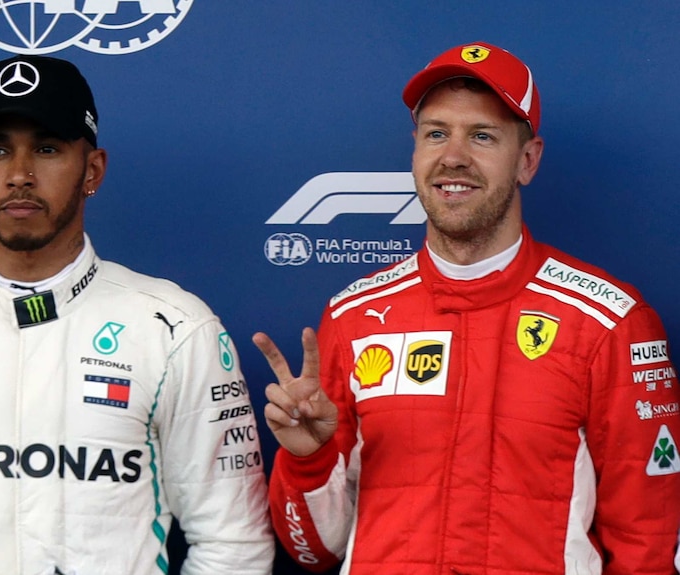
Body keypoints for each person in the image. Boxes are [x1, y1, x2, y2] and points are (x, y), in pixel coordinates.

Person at [253, 41, 680, 574]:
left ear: (527, 160)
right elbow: (316, 551)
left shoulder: (608, 322)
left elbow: (649, 545)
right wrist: (308, 460)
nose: (453, 156)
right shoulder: (354, 317)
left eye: (481, 136)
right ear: (414, 150)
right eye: (436, 133)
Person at [0, 54, 273, 574]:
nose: (20, 175)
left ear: (92, 170)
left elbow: (232, 542)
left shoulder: (175, 327)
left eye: (46, 149)